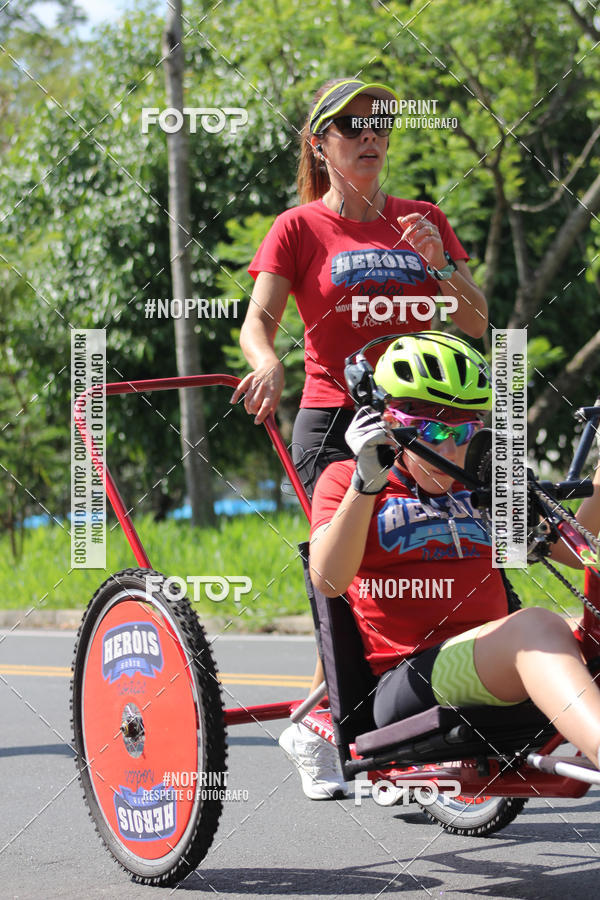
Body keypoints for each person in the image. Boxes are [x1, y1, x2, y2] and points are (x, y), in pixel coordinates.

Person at [231, 77, 488, 797]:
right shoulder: (298, 227)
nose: (370, 135)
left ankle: (424, 708)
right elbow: (257, 321)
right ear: (322, 144)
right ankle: (322, 726)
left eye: (380, 124)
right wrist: (268, 360)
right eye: (351, 126)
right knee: (345, 564)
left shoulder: (423, 216)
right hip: (337, 418)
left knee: (436, 542)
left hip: (423, 417)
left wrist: (439, 265)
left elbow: (474, 322)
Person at [305, 332, 600, 778]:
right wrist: (367, 481)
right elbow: (328, 581)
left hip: (493, 657)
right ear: (384, 421)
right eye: (427, 431)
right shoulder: (346, 479)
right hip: (407, 681)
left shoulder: (480, 483)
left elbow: (578, 552)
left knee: (552, 629)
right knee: (538, 624)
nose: (447, 449)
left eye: (463, 432)